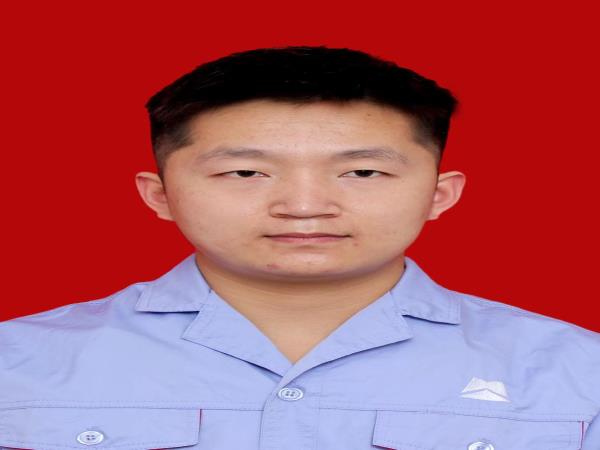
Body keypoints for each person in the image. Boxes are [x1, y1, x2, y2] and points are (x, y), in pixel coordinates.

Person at [1, 46, 599, 450]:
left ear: (440, 194)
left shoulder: (577, 372)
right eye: (246, 173)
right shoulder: (17, 362)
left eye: (362, 172)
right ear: (159, 194)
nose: (305, 205)